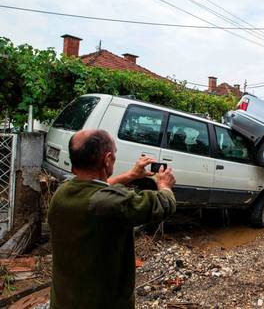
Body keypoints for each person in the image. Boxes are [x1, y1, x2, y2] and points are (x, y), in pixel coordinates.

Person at [48, 129, 176, 309]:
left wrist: (130, 176)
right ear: (107, 159)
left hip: (63, 300)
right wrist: (164, 185)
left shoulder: (63, 192)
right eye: (114, 154)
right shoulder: (109, 203)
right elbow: (162, 205)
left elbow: (97, 188)